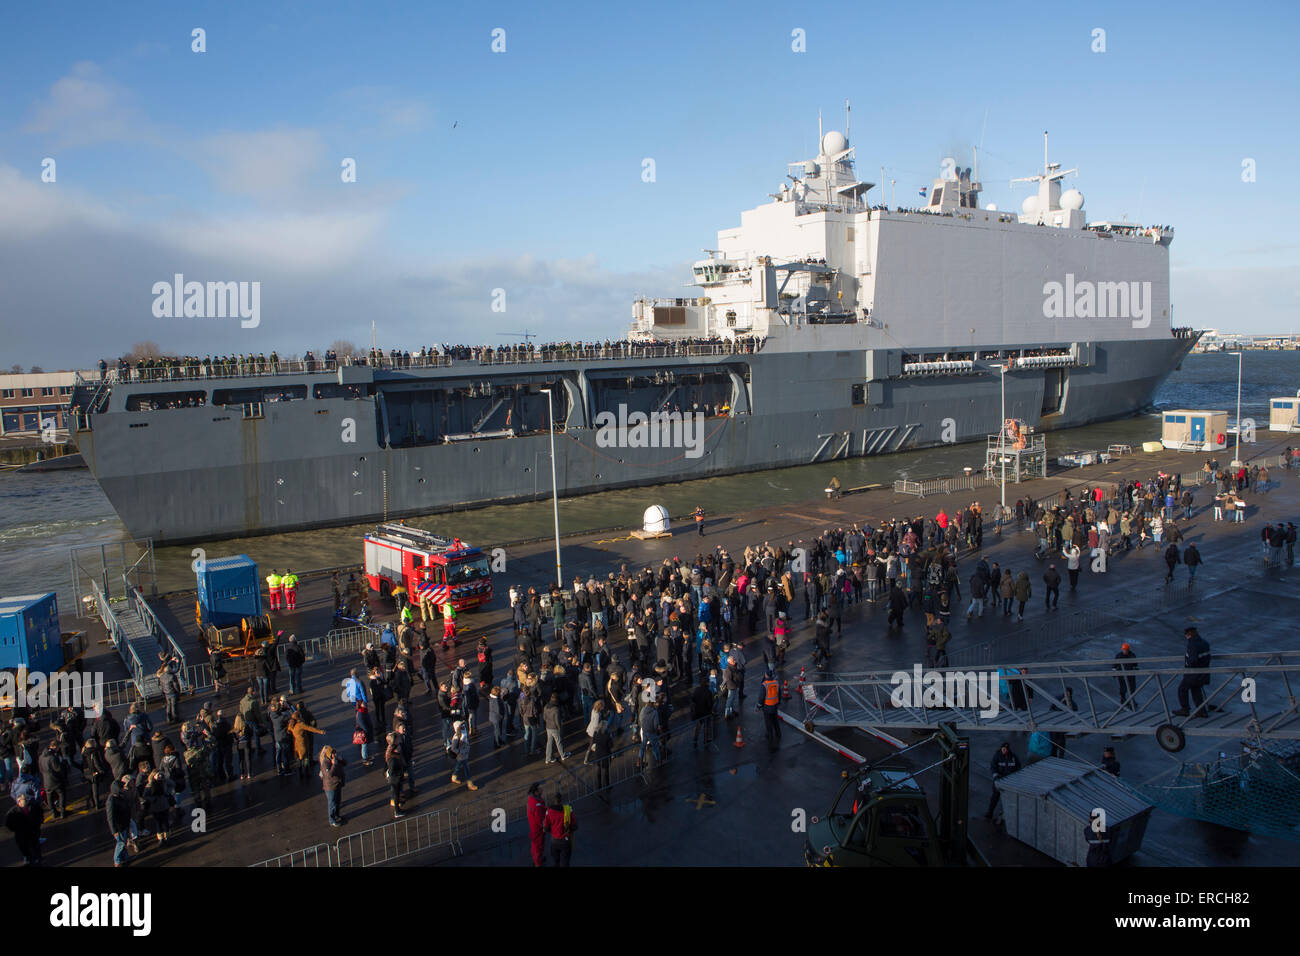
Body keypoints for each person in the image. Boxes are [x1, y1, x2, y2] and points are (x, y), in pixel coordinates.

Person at [1174, 627, 1212, 717]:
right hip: (1204, 672)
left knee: (1182, 689)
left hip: (1193, 673)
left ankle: (1185, 709)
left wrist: (1187, 666)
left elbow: (1193, 660)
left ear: (1189, 635)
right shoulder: (1205, 643)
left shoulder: (1192, 644)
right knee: (1196, 690)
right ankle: (1201, 711)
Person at [985, 741, 1021, 821]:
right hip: (999, 781)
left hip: (1009, 782)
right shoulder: (997, 756)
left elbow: (1018, 767)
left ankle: (1005, 815)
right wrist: (996, 776)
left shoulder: (1013, 757)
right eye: (1003, 749)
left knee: (1008, 799)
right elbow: (993, 767)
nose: (1004, 750)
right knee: (995, 798)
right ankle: (990, 812)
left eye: (1005, 749)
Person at [5, 792, 42, 866]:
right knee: (24, 848)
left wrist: (37, 825)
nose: (25, 801)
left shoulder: (33, 807)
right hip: (21, 835)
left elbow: (40, 815)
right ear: (18, 801)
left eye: (25, 800)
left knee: (35, 846)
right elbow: (8, 824)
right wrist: (16, 829)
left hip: (33, 832)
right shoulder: (12, 812)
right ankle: (27, 858)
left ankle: (37, 858)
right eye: (22, 800)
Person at [543, 791, 578, 867]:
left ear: (553, 800)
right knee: (565, 863)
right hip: (565, 840)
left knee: (556, 862)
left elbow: (546, 828)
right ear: (561, 800)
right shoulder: (568, 809)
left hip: (554, 841)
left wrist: (553, 830)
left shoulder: (548, 811)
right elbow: (575, 826)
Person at [319, 745, 347, 827]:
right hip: (330, 786)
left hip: (337, 784)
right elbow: (329, 774)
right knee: (332, 803)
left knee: (338, 801)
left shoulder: (335, 759)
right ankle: (332, 820)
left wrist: (341, 760)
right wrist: (334, 764)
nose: (335, 755)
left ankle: (337, 815)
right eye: (333, 754)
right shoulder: (325, 763)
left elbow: (345, 763)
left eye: (335, 753)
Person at [448, 720, 478, 789]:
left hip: (464, 754)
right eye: (461, 726)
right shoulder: (456, 737)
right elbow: (453, 748)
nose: (463, 727)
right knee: (466, 768)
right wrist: (459, 752)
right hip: (461, 755)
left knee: (458, 766)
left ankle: (454, 776)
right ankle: (470, 783)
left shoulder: (463, 734)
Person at [526, 781, 549, 866]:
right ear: (536, 791)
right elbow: (540, 819)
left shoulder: (532, 799)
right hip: (538, 830)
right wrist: (545, 827)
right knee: (538, 847)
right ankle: (538, 863)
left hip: (534, 828)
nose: (542, 789)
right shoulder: (537, 804)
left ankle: (538, 859)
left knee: (535, 846)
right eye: (540, 789)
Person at [759, 670, 781, 748]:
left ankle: (770, 737)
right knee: (775, 721)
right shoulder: (776, 683)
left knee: (768, 723)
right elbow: (779, 694)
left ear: (766, 675)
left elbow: (761, 697)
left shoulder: (764, 684)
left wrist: (759, 706)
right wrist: (778, 702)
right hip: (775, 705)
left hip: (767, 707)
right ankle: (778, 734)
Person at [1113, 643, 1138, 709]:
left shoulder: (1132, 655)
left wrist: (1135, 669)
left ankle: (1131, 700)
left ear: (1128, 649)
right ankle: (1123, 699)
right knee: (1122, 687)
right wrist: (1114, 672)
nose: (1125, 651)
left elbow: (1135, 664)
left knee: (1132, 688)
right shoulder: (1119, 655)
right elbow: (1114, 665)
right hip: (1122, 675)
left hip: (1130, 675)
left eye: (1126, 650)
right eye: (1124, 650)